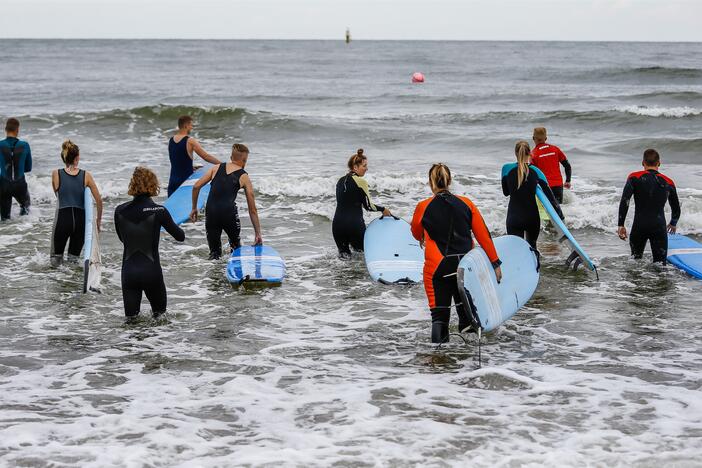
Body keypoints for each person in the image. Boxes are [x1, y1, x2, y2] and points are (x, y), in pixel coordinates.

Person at [411, 163, 502, 343]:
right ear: (450, 180)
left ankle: (440, 360)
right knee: (467, 317)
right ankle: (467, 361)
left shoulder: (423, 206)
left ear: (431, 183)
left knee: (440, 318)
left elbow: (415, 232)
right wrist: (496, 263)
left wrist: (425, 234)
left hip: (438, 267)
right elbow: (483, 236)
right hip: (465, 267)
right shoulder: (466, 203)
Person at [115, 167, 185, 318]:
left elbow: (123, 239)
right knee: (160, 319)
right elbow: (180, 236)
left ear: (132, 184)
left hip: (129, 273)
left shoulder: (119, 210)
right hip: (151, 272)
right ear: (153, 184)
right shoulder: (159, 210)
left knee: (131, 322)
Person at [190, 143, 262, 260]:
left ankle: (212, 277)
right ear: (244, 160)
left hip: (211, 212)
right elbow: (252, 209)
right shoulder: (244, 176)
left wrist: (194, 208)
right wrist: (258, 233)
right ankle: (237, 274)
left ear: (231, 157)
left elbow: (196, 186)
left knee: (214, 253)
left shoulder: (216, 168)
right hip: (228, 214)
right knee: (235, 247)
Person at [617, 149, 680, 264]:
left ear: (643, 163)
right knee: (660, 265)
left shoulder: (634, 177)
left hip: (639, 226)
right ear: (659, 163)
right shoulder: (669, 182)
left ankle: (632, 283)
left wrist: (621, 225)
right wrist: (673, 223)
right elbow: (676, 208)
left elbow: (625, 201)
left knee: (635, 263)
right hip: (658, 227)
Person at [50, 140, 103, 267]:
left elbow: (57, 194)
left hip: (63, 220)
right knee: (73, 261)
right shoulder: (86, 175)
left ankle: (58, 285)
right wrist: (98, 221)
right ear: (77, 158)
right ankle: (74, 285)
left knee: (56, 260)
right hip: (81, 222)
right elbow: (99, 201)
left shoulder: (56, 174)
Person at [332, 149, 393, 258]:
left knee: (344, 259)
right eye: (364, 166)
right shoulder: (361, 182)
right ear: (355, 167)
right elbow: (369, 206)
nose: (367, 168)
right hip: (353, 225)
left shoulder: (340, 181)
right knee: (364, 257)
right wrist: (383, 209)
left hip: (337, 225)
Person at [502, 141, 563, 249]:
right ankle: (536, 265)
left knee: (516, 250)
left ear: (515, 153)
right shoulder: (536, 171)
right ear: (530, 153)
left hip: (514, 218)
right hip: (532, 218)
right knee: (532, 249)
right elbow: (551, 198)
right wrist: (560, 217)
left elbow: (506, 192)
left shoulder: (506, 169)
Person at [167, 115, 221, 197]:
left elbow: (176, 160)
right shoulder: (190, 141)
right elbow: (206, 156)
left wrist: (189, 167)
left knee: (172, 208)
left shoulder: (171, 140)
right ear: (186, 126)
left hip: (172, 182)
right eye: (191, 125)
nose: (191, 127)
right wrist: (222, 164)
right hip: (185, 182)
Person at [0, 118, 32, 220]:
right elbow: (28, 168)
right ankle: (23, 230)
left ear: (5, 129)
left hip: (3, 185)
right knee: (25, 207)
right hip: (20, 185)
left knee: (5, 219)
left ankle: (7, 234)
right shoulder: (25, 145)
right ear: (17, 130)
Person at [530, 127, 572, 204]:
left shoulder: (533, 154)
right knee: (559, 209)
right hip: (558, 185)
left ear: (533, 138)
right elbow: (567, 165)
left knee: (546, 212)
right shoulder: (555, 149)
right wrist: (568, 181)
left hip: (544, 186)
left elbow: (532, 173)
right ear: (546, 138)